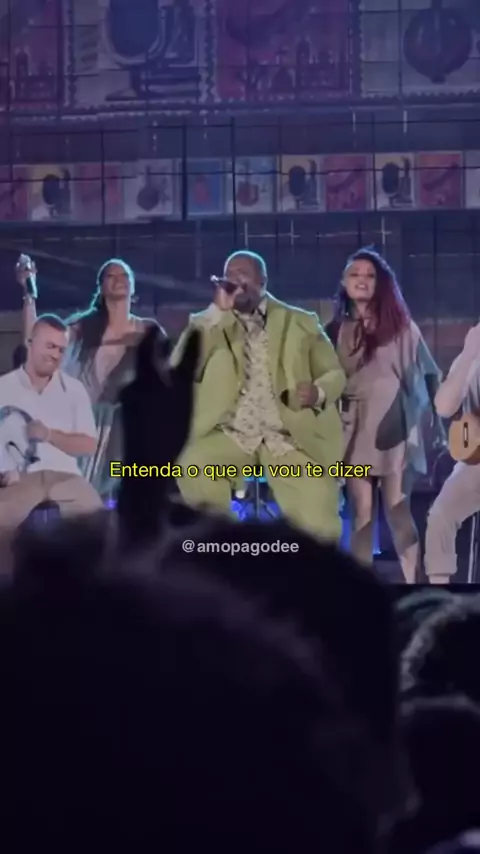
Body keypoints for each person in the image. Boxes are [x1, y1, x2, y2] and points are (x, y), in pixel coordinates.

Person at [171, 250, 346, 541]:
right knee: (193, 464)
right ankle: (223, 548)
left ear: (262, 281)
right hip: (232, 432)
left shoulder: (300, 322)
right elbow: (179, 367)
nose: (235, 279)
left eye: (243, 273)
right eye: (230, 274)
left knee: (318, 515)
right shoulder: (210, 324)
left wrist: (317, 392)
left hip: (287, 435)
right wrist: (216, 313)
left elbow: (334, 373)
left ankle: (313, 566)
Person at [326, 247, 442, 583]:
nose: (362, 280)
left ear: (381, 283)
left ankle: (413, 583)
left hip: (396, 429)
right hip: (353, 431)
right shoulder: (334, 330)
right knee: (361, 514)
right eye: (354, 274)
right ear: (344, 282)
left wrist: (438, 419)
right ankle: (361, 586)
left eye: (370, 275)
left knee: (397, 509)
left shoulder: (402, 327)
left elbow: (430, 372)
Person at [17, 254, 166, 498]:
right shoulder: (83, 328)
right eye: (111, 275)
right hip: (87, 428)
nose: (118, 279)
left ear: (133, 287)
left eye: (124, 276)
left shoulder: (148, 330)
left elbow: (165, 378)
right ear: (101, 287)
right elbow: (35, 344)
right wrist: (29, 294)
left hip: (129, 429)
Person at [0, 314, 102, 546]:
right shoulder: (3, 388)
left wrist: (49, 435)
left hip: (65, 477)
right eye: (50, 346)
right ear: (31, 343)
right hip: (19, 480)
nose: (55, 355)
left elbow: (89, 445)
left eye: (61, 349)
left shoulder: (74, 390)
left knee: (98, 523)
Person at [424, 321, 480, 583]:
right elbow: (444, 407)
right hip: (475, 463)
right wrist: (470, 351)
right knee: (440, 516)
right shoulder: (475, 351)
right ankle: (440, 591)